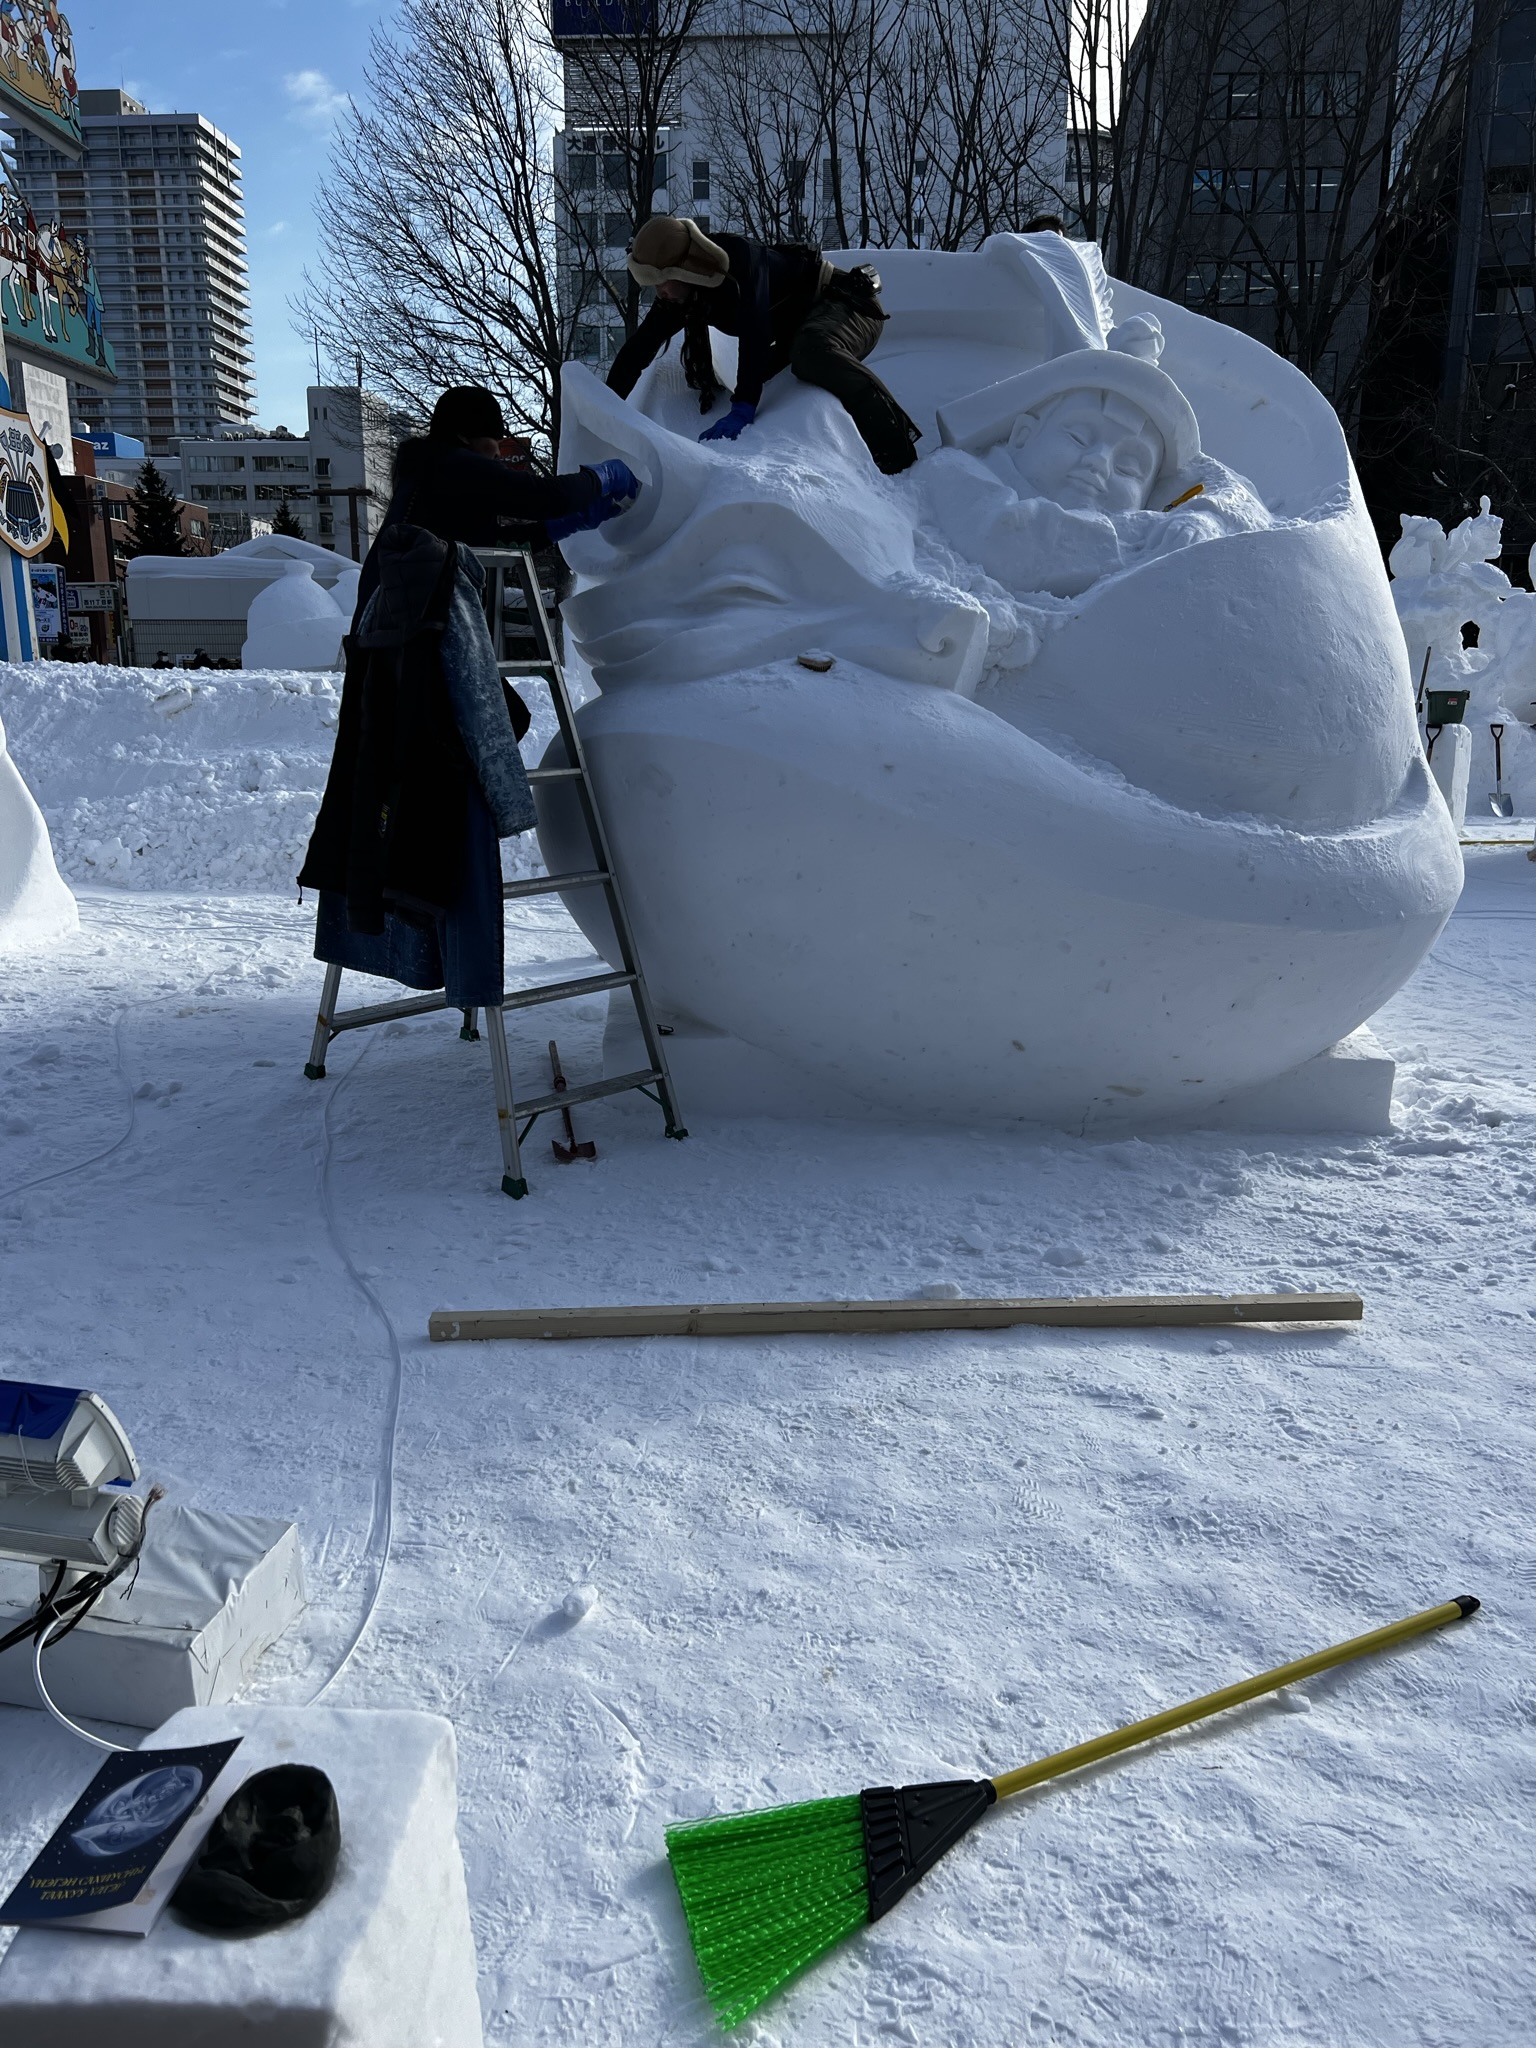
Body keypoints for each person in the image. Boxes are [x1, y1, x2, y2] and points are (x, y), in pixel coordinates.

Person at [607, 216, 921, 475]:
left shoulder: (740, 260)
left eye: (661, 282)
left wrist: (743, 407)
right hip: (801, 327)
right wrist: (606, 410)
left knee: (810, 352)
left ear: (683, 269)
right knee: (770, 377)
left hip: (848, 306)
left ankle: (897, 449)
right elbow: (637, 352)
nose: (658, 293)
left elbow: (755, 331)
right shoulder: (680, 295)